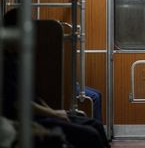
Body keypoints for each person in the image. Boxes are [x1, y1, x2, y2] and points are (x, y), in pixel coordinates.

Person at [2, 8, 109, 148]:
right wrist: (54, 113)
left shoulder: (18, 59)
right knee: (90, 134)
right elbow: (20, 104)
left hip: (40, 114)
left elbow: (35, 97)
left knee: (96, 125)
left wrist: (54, 112)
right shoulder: (5, 63)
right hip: (26, 119)